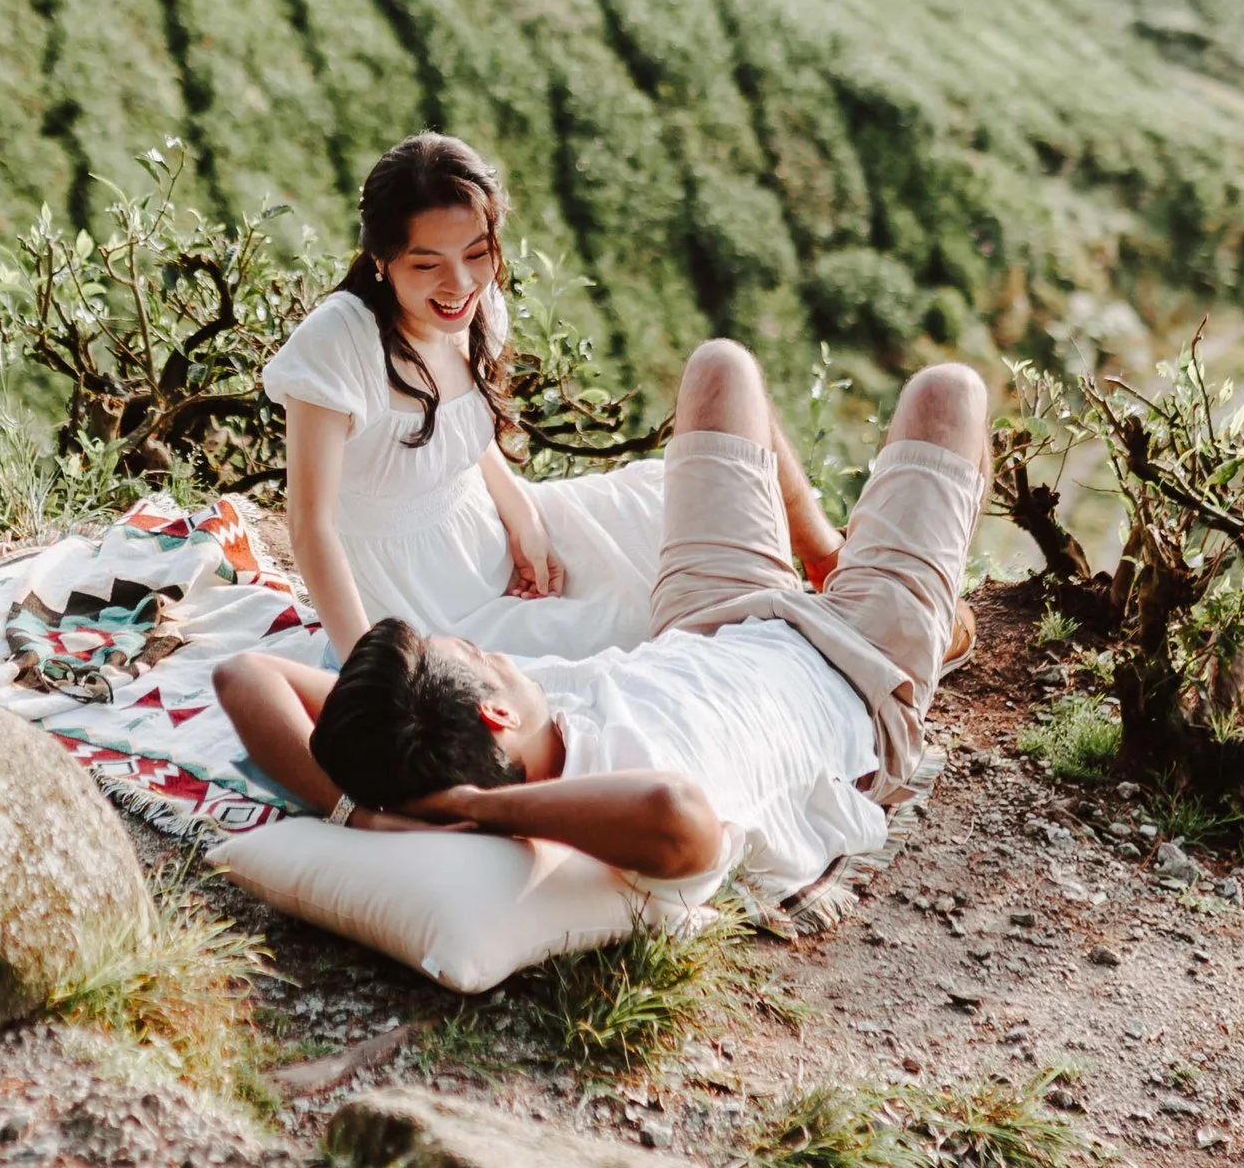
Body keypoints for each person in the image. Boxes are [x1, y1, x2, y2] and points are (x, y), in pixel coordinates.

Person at [215, 335, 987, 912]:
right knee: (950, 393)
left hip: (713, 620)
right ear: (495, 710)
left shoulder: (516, 721)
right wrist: (474, 812)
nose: (498, 653)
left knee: (720, 369)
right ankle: (913, 614)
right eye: (485, 656)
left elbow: (243, 674)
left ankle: (827, 559)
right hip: (859, 669)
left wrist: (364, 816)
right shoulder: (615, 801)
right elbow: (677, 816)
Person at [262, 134, 797, 664]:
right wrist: (367, 669)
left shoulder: (476, 307)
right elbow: (311, 527)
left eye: (477, 253)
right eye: (427, 265)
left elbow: (456, 434)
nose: (460, 283)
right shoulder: (337, 344)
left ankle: (813, 577)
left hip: (488, 521)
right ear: (381, 259)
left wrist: (520, 511)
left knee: (671, 512)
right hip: (429, 599)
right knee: (638, 623)